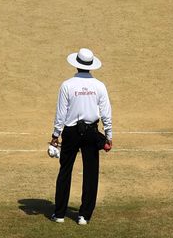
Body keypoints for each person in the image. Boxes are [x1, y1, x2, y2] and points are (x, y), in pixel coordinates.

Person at [50, 48, 113, 225]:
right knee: (91, 174)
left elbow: (60, 114)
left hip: (71, 132)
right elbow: (106, 113)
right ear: (91, 66)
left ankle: (60, 214)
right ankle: (84, 216)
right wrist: (108, 135)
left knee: (65, 171)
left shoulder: (67, 85)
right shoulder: (99, 86)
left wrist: (55, 135)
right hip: (92, 132)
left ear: (76, 65)